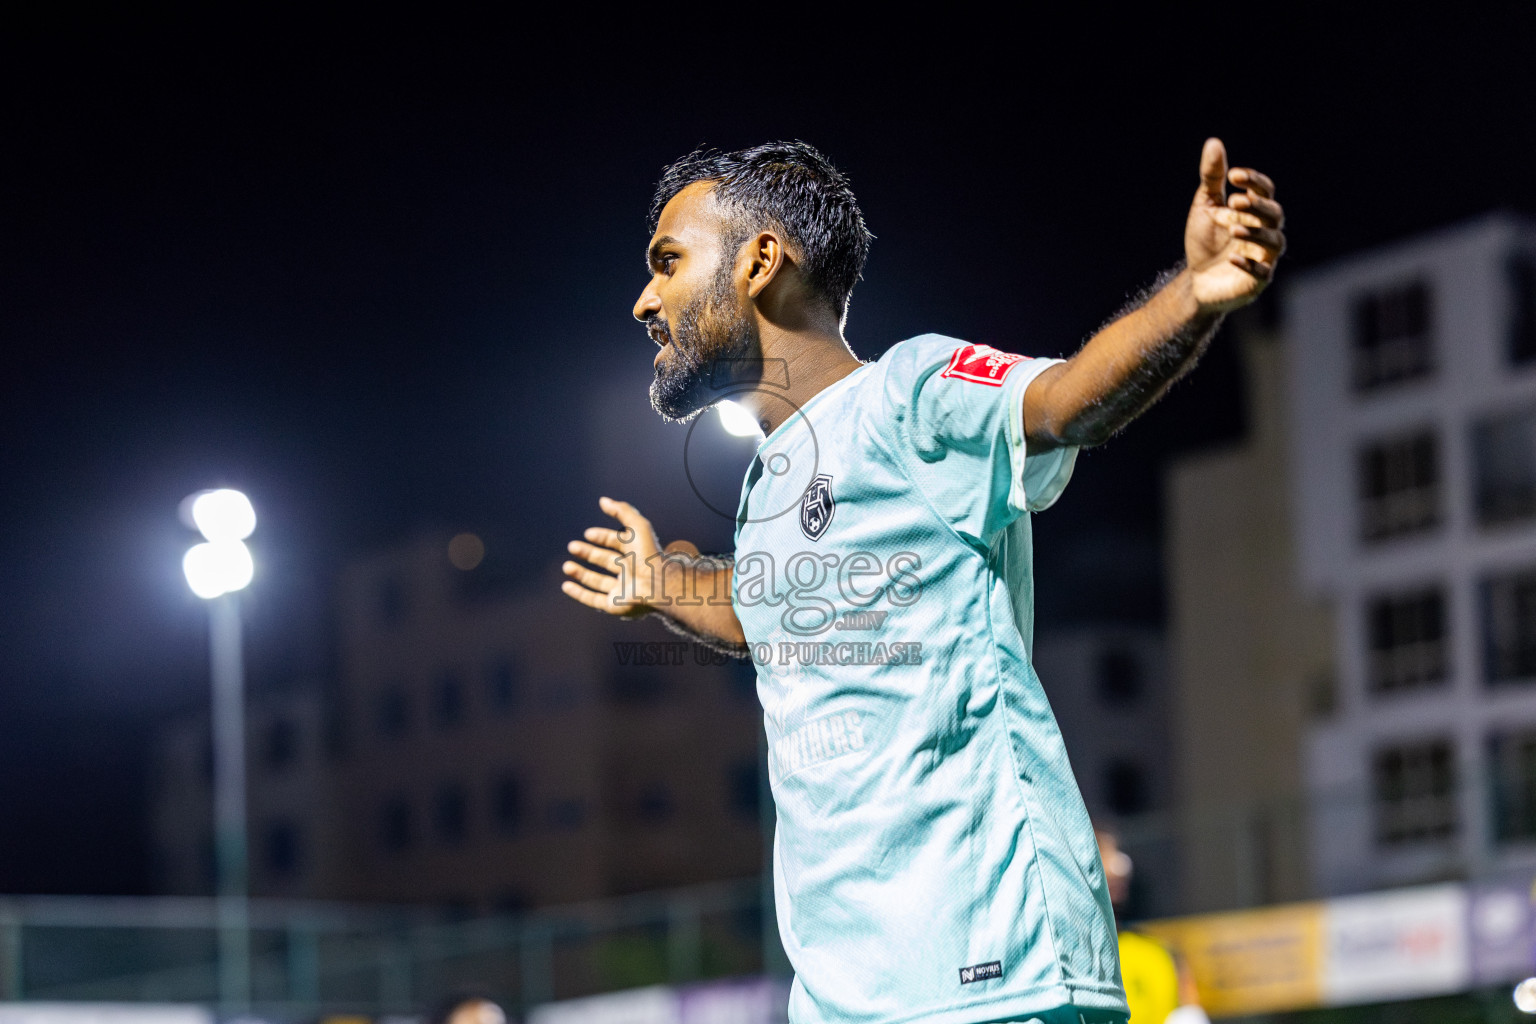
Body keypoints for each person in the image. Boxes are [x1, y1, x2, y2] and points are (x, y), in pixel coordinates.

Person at [561, 140, 1283, 1024]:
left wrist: (1193, 293)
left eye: (668, 261)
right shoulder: (766, 482)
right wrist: (663, 581)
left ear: (759, 262)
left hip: (991, 964)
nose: (646, 299)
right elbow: (762, 613)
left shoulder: (909, 392)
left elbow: (1064, 401)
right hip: (843, 993)